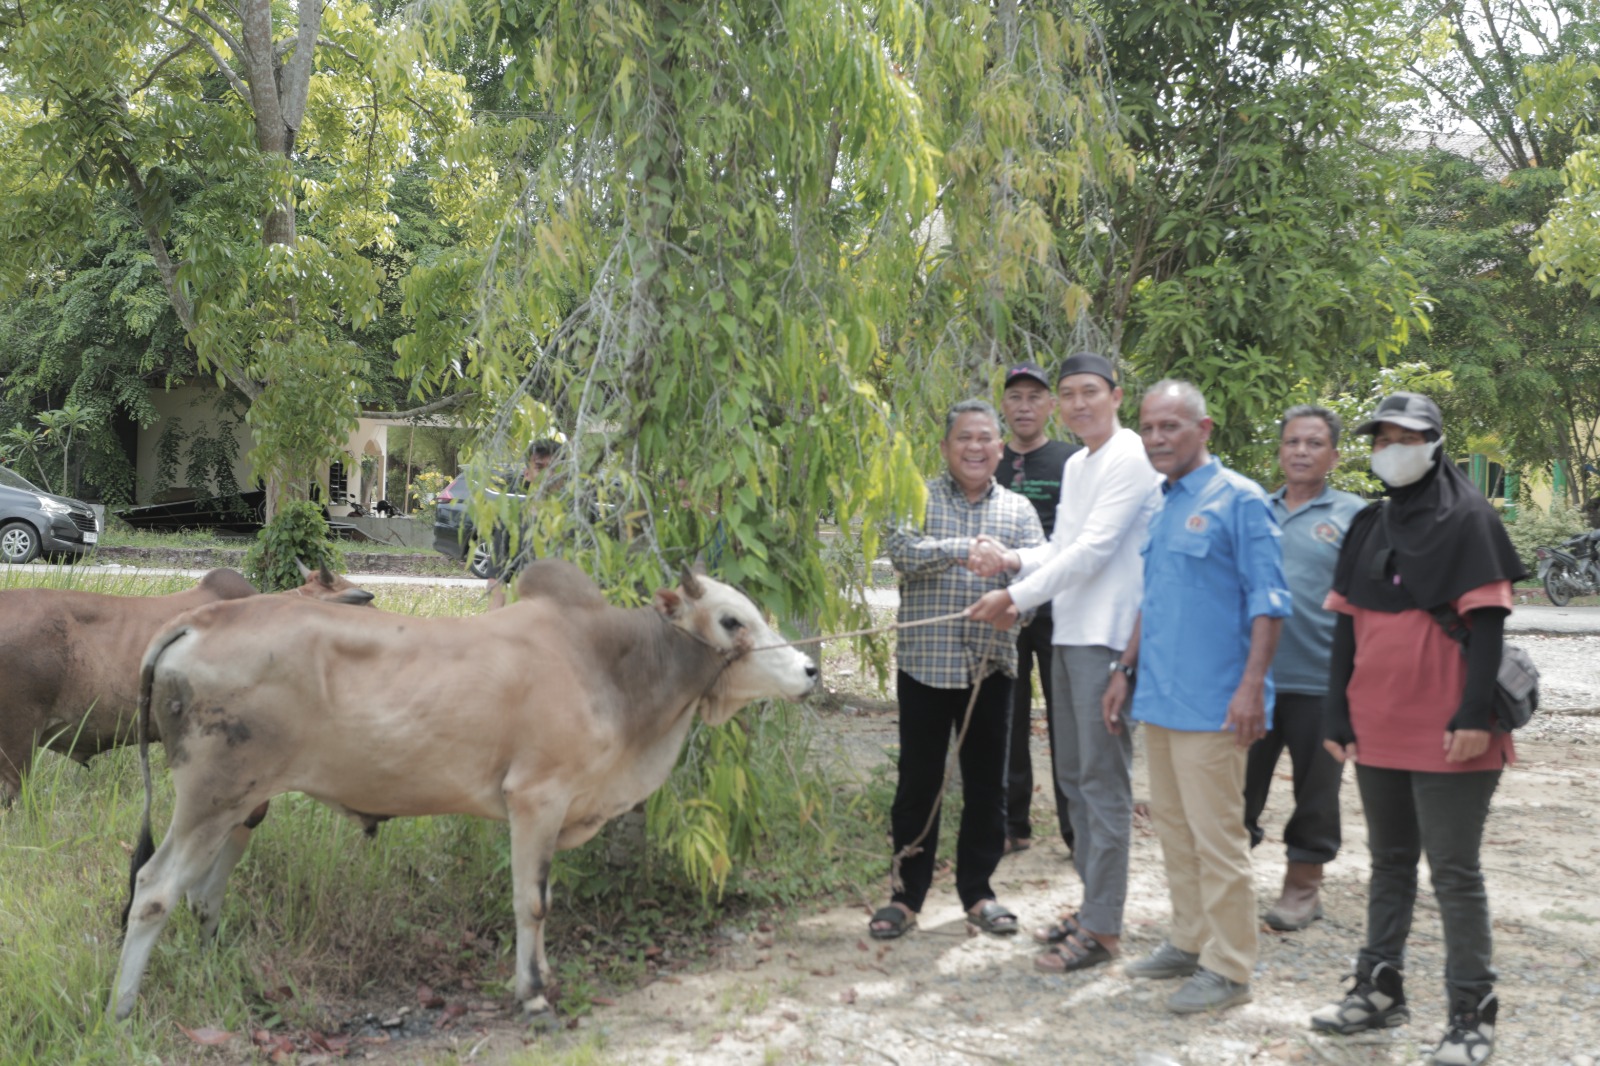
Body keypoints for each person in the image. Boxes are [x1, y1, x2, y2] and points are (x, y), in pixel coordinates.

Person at [1310, 392, 1525, 1066]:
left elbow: (1487, 626)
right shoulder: (1369, 524)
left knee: (1454, 872)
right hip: (1376, 724)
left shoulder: (1471, 519)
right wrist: (1335, 709)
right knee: (1389, 863)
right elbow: (1345, 624)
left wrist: (1472, 717)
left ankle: (1471, 1015)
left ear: (1435, 443)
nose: (1393, 448)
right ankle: (1379, 989)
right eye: (1383, 437)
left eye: (1408, 436)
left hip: (1450, 729)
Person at [966, 352, 1161, 974]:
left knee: (1103, 786)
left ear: (1116, 396)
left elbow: (1097, 549)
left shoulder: (1131, 457)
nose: (1079, 404)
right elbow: (1061, 546)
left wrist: (1015, 598)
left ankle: (1103, 928)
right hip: (1070, 634)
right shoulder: (1081, 462)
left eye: (1089, 393)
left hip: (1107, 639)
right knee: (1075, 783)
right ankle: (1092, 907)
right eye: (1070, 394)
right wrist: (1014, 563)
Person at [1102, 380, 1290, 1014]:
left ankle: (1231, 968)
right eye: (1149, 427)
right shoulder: (1163, 503)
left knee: (1219, 840)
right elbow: (1152, 602)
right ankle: (1187, 941)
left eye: (1171, 427)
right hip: (1159, 699)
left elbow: (1270, 604)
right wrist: (1122, 669)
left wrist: (1250, 690)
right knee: (1175, 833)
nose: (1158, 438)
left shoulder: (1240, 501)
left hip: (1216, 707)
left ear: (1203, 429)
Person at [869, 399, 1045, 941]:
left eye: (985, 438)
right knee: (917, 784)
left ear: (1000, 448)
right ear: (945, 447)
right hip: (925, 667)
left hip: (990, 670)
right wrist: (962, 549)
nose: (975, 447)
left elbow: (1040, 578)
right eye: (964, 438)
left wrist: (1014, 604)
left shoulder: (1018, 511)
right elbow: (899, 549)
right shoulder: (914, 495)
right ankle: (906, 896)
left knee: (987, 787)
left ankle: (979, 891)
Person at [1243, 405, 1365, 931]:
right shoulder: (1253, 509)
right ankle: (1221, 885)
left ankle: (1302, 889)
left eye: (1314, 444)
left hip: (1322, 682)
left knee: (1315, 794)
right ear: (1280, 451)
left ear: (1333, 455)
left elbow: (1370, 601)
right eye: (1292, 442)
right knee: (1235, 789)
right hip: (1253, 681)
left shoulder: (1356, 516)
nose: (1301, 451)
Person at [994, 360, 1082, 857]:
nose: (1024, 406)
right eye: (1015, 398)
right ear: (1004, 406)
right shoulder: (989, 459)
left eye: (1034, 397)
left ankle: (1076, 831)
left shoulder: (1072, 461)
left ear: (1051, 406)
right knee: (1007, 719)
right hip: (1004, 611)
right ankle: (1011, 825)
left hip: (1060, 610)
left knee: (1065, 719)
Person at [487, 439, 559, 609]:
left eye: (554, 468)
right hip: (530, 617)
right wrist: (493, 627)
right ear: (527, 474)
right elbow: (497, 580)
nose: (547, 475)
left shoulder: (582, 517)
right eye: (540, 468)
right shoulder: (512, 519)